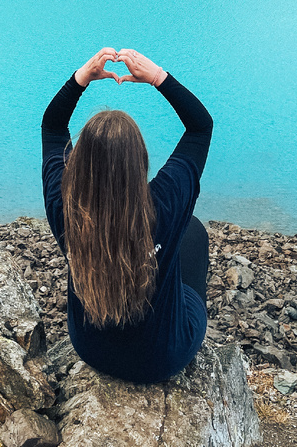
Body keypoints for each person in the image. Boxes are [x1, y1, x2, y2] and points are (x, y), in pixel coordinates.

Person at [41, 47, 213, 384]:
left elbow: (52, 127)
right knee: (190, 231)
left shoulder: (65, 205)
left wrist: (81, 79)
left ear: (80, 164)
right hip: (164, 358)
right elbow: (200, 127)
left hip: (91, 350)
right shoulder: (163, 203)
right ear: (140, 161)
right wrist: (158, 78)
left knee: (180, 232)